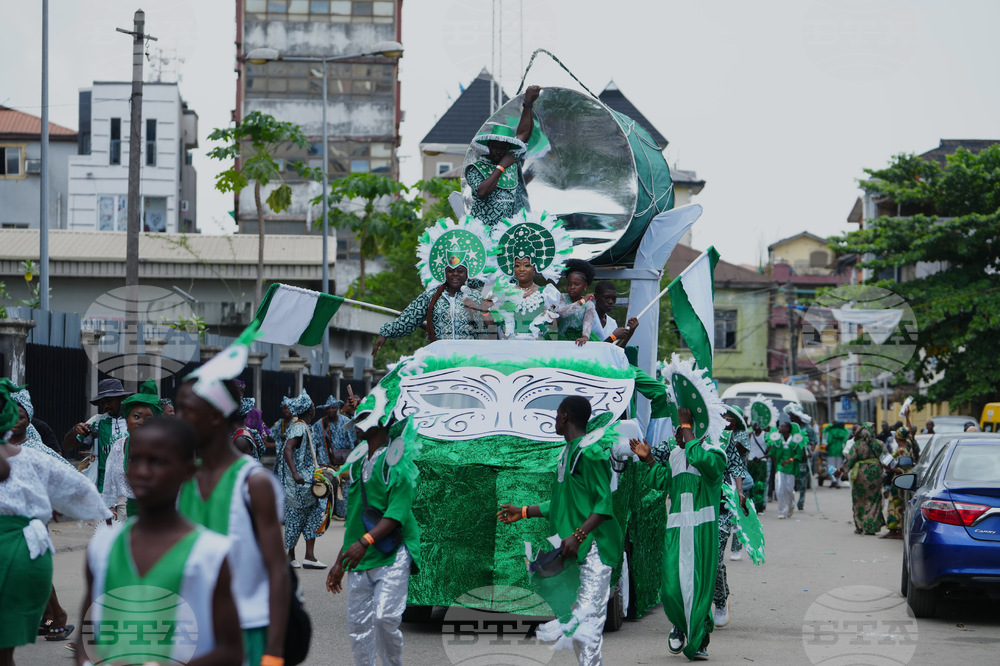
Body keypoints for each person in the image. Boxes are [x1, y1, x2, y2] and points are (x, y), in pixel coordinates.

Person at [78, 417, 243, 666]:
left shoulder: (210, 553)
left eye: (157, 462)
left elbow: (231, 650)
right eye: (135, 460)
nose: (142, 471)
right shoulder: (104, 545)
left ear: (188, 471)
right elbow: (87, 637)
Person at [175, 375, 289, 666]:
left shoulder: (254, 483)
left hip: (247, 633)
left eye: (187, 410)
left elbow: (278, 570)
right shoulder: (183, 480)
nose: (178, 419)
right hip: (192, 634)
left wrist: (274, 653)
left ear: (215, 415)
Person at [498, 396, 621, 665]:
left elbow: (603, 504)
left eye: (557, 414)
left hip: (595, 549)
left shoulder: (589, 451)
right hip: (574, 550)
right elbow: (563, 502)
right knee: (576, 626)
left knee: (586, 627)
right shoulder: (568, 451)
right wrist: (524, 511)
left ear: (564, 416)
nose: (555, 419)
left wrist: (579, 535)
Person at [0, 378, 112, 666]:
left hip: (23, 536)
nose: (14, 419)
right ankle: (51, 615)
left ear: (29, 416)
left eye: (21, 414)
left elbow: (74, 485)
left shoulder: (36, 452)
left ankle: (57, 615)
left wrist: (50, 507)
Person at [629, 369, 726, 663]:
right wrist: (647, 459)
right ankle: (678, 624)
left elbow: (700, 460)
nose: (678, 432)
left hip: (702, 532)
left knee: (697, 588)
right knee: (671, 586)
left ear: (697, 431)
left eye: (683, 428)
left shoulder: (713, 454)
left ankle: (697, 639)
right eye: (678, 428)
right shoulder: (675, 455)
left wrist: (688, 428)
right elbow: (662, 481)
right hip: (675, 530)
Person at [326, 413, 421, 666]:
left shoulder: (399, 461)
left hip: (393, 551)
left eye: (364, 418)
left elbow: (396, 514)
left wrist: (364, 542)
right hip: (362, 555)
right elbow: (357, 516)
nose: (356, 425)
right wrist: (340, 562)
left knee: (384, 618)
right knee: (358, 626)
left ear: (380, 422)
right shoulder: (357, 463)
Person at [465, 85, 540, 228]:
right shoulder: (476, 168)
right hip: (486, 233)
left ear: (507, 149)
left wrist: (528, 103)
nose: (498, 152)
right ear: (489, 146)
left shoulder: (511, 158)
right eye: (495, 148)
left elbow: (523, 134)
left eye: (502, 148)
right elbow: (482, 192)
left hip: (510, 232)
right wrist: (501, 167)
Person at [278, 389, 327, 569]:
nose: (314, 407)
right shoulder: (299, 427)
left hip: (307, 482)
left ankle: (310, 557)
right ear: (309, 409)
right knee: (294, 518)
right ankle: (290, 556)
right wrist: (295, 473)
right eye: (313, 405)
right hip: (298, 485)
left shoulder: (304, 426)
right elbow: (288, 449)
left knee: (312, 516)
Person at [101, 379, 162, 521]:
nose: (141, 422)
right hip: (128, 516)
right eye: (136, 416)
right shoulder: (118, 446)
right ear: (127, 420)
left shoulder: (165, 448)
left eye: (148, 418)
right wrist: (107, 508)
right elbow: (109, 482)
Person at [714, 406, 750, 626]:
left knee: (716, 559)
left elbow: (737, 467)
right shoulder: (688, 435)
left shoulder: (731, 438)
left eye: (728, 417)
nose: (725, 419)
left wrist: (739, 491)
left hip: (722, 503)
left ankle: (720, 600)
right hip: (692, 504)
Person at [63, 378, 130, 494]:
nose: (106, 406)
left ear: (121, 399)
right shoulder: (97, 421)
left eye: (109, 401)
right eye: (103, 403)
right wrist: (75, 431)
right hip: (103, 488)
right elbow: (67, 446)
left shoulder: (133, 420)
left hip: (129, 487)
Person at [313, 395, 359, 520]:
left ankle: (343, 513)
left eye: (333, 408)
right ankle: (329, 512)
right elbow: (318, 443)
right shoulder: (320, 424)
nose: (331, 411)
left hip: (346, 460)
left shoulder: (346, 421)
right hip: (327, 460)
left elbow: (353, 440)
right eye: (328, 408)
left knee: (345, 486)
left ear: (338, 408)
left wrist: (352, 458)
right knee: (327, 485)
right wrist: (321, 461)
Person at [835, 424, 886, 535]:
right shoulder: (880, 444)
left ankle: (860, 526)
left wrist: (840, 471)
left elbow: (849, 461)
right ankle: (870, 526)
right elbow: (887, 460)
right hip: (876, 474)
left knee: (859, 500)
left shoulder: (857, 445)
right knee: (874, 500)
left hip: (860, 475)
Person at [8, 387, 73, 467]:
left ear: (28, 421)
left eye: (20, 417)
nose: (14, 421)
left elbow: (63, 468)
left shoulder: (40, 451)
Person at [767, 421, 806, 519]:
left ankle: (791, 504)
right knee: (779, 489)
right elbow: (772, 453)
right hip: (780, 467)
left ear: (787, 429)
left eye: (782, 426)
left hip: (791, 468)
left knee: (789, 490)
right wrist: (776, 465)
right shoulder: (778, 441)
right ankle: (782, 511)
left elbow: (798, 454)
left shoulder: (794, 441)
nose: (780, 428)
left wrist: (790, 460)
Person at [554, 258, 597, 344]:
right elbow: (562, 312)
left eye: (576, 284)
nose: (572, 287)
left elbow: (587, 323)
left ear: (585, 286)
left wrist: (585, 337)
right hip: (560, 340)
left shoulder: (589, 304)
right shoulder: (562, 297)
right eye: (569, 284)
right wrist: (582, 301)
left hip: (578, 341)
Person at [591, 280, 638, 345]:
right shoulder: (587, 317)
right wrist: (613, 337)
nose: (610, 302)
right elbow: (591, 350)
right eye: (606, 297)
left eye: (614, 298)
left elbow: (614, 352)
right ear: (596, 297)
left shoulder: (612, 323)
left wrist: (629, 333)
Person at [746, 421, 769, 513]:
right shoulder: (750, 435)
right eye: (752, 424)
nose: (754, 426)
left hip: (761, 463)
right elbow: (746, 448)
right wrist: (747, 458)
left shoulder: (766, 435)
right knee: (751, 484)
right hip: (751, 462)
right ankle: (751, 507)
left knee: (759, 485)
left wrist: (761, 458)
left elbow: (770, 452)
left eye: (755, 424)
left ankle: (759, 508)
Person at [824, 422, 849, 489]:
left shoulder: (831, 431)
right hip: (839, 451)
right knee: (839, 467)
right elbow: (845, 441)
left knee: (830, 466)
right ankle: (838, 482)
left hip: (831, 451)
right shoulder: (843, 431)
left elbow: (829, 441)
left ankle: (833, 480)